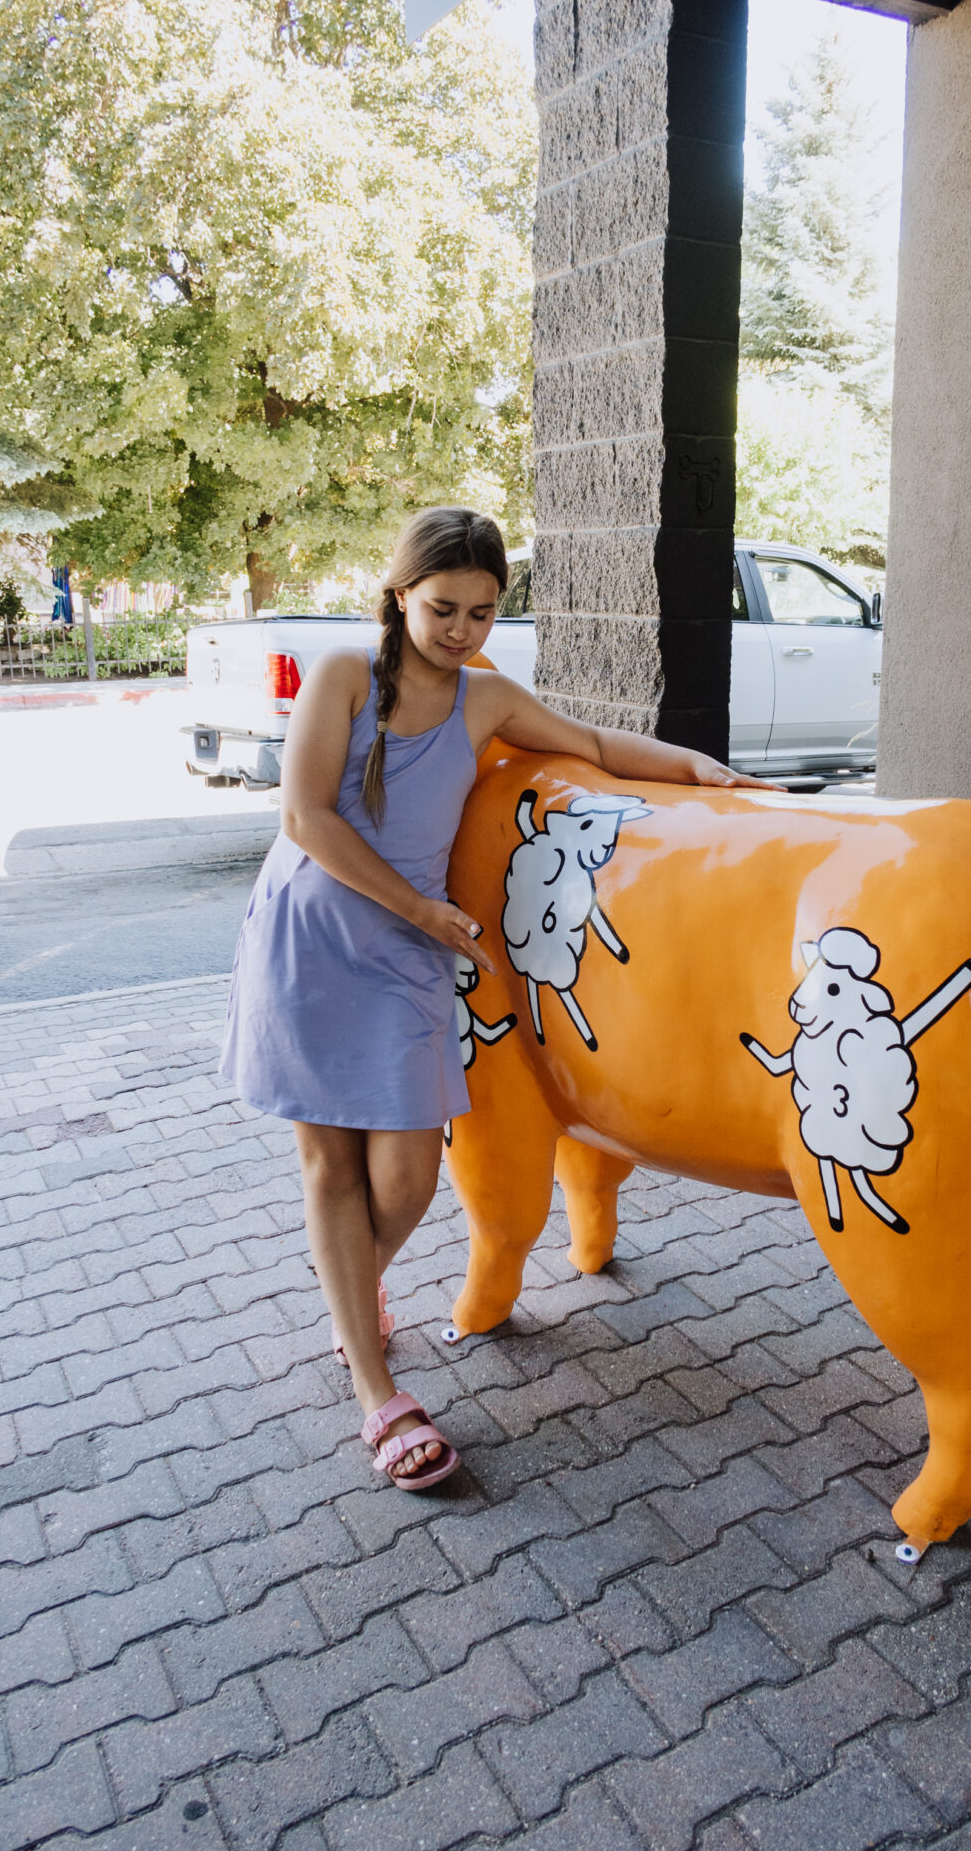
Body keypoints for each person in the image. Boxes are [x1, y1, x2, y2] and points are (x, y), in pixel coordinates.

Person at [220, 506, 762, 1490]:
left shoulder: (484, 697)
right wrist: (420, 909)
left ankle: (351, 1293)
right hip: (316, 937)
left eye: (481, 611)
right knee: (331, 1168)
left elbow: (592, 742)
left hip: (410, 953)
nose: (461, 628)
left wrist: (694, 766)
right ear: (398, 594)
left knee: (409, 1178)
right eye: (442, 607)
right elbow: (304, 815)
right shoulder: (346, 675)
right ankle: (379, 1395)